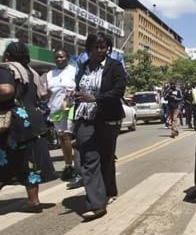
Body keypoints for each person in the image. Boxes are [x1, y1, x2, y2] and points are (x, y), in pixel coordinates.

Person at [73, 32, 127, 221]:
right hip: (85, 118)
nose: (99, 50)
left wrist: (95, 98)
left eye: (103, 47)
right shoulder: (84, 67)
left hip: (108, 118)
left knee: (106, 157)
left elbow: (118, 91)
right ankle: (97, 204)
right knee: (89, 159)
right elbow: (81, 88)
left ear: (108, 48)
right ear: (89, 48)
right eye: (95, 47)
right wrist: (75, 94)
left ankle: (109, 189)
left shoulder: (115, 66)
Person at [0, 42, 56, 212]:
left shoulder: (6, 68)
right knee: (28, 162)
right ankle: (33, 201)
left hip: (13, 123)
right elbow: (44, 94)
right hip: (33, 122)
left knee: (4, 160)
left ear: (8, 55)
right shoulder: (31, 72)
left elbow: (6, 90)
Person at [45, 49, 77, 182]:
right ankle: (68, 164)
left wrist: (71, 94)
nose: (59, 59)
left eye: (62, 57)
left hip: (70, 106)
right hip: (55, 108)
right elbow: (48, 92)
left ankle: (72, 166)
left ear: (67, 58)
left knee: (66, 135)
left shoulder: (73, 70)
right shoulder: (50, 74)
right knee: (62, 138)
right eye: (57, 57)